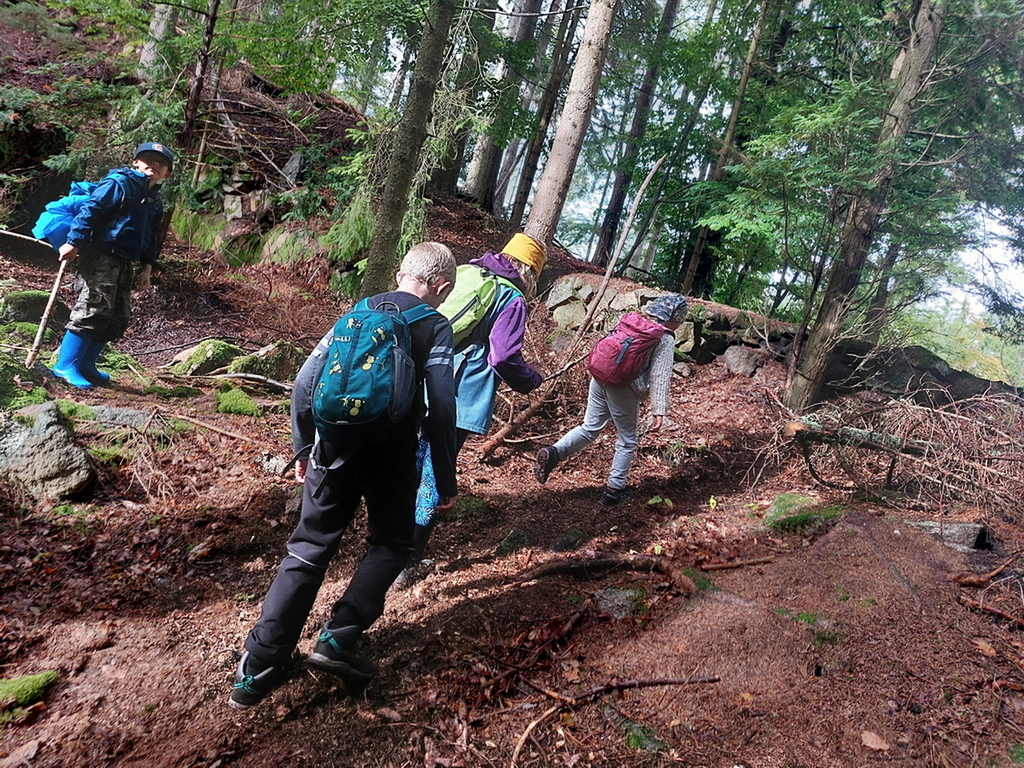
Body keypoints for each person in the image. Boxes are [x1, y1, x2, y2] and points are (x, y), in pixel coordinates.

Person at [229, 242, 459, 710]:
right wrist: (444, 475)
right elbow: (442, 405)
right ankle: (338, 637)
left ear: (400, 272)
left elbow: (304, 382)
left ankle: (259, 668)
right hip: (391, 454)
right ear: (443, 287)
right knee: (393, 542)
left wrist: (303, 445)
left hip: (332, 447)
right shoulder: (435, 325)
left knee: (308, 547)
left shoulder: (357, 312)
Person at [394, 233, 546, 588]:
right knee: (435, 471)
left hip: (422, 377)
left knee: (411, 462)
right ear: (529, 270)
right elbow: (504, 356)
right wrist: (531, 379)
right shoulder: (511, 297)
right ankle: (406, 562)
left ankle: (387, 543)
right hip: (459, 393)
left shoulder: (467, 273)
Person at [532, 294, 688, 506]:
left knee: (589, 427)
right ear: (674, 318)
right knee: (627, 440)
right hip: (624, 388)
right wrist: (659, 410)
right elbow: (660, 374)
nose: (680, 324)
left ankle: (553, 453)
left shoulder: (632, 321)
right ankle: (614, 491)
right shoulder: (664, 338)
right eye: (680, 320)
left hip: (600, 377)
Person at [51, 142, 174, 389]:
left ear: (167, 174)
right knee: (93, 307)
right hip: (100, 254)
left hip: (125, 259)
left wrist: (147, 268)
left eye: (160, 163)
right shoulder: (119, 183)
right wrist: (73, 242)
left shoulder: (154, 202)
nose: (154, 164)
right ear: (136, 162)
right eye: (147, 159)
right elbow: (91, 210)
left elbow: (151, 237)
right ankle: (65, 366)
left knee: (118, 315)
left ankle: (86, 365)